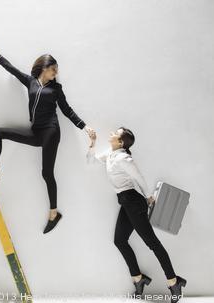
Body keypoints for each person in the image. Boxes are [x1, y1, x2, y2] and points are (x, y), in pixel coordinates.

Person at [0, 41, 95, 234]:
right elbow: (11, 68)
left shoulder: (56, 89)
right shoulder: (30, 81)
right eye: (53, 69)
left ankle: (54, 213)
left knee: (46, 173)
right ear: (44, 68)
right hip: (36, 131)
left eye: (57, 70)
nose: (56, 72)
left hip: (51, 131)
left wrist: (84, 126)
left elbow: (67, 110)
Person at [87, 127, 186, 302]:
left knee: (152, 243)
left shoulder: (124, 158)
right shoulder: (111, 153)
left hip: (134, 203)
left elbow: (139, 177)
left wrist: (149, 197)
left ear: (121, 142)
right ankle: (139, 279)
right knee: (119, 240)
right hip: (126, 202)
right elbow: (91, 162)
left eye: (115, 133)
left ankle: (173, 281)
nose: (111, 134)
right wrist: (93, 143)